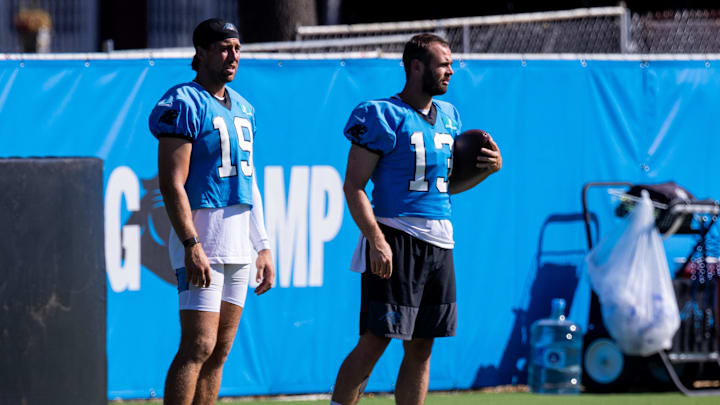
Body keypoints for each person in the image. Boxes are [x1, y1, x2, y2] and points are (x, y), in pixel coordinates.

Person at [331, 33, 502, 405]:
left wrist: (486, 171)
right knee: (376, 340)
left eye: (452, 64)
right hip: (396, 235)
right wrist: (376, 240)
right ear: (416, 67)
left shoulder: (450, 118)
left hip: (440, 240)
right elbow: (354, 186)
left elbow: (443, 187)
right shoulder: (381, 115)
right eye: (444, 64)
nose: (451, 72)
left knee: (422, 346)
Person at [148, 18, 275, 405]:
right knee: (197, 345)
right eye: (223, 48)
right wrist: (191, 243)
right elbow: (172, 182)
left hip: (239, 242)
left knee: (219, 352)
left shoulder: (245, 108)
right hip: (203, 238)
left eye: (237, 48)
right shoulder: (183, 102)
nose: (233, 56)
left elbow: (247, 184)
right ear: (200, 52)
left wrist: (263, 246)